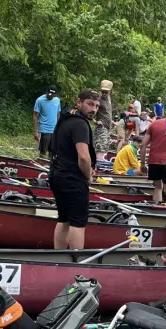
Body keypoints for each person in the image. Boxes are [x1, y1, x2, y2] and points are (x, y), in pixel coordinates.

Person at [49, 88, 99, 250]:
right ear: (79, 102)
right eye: (90, 104)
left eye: (96, 106)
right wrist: (88, 175)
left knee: (64, 219)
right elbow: (83, 156)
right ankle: (76, 261)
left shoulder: (65, 119)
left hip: (57, 175)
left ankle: (59, 256)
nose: (93, 109)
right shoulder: (80, 124)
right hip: (72, 178)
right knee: (78, 222)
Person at [139, 113, 166, 203]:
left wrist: (142, 164)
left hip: (154, 160)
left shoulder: (154, 124)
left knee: (158, 187)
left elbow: (143, 145)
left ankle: (156, 206)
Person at [33, 86, 61, 156]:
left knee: (53, 152)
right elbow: (35, 116)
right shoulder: (40, 100)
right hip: (44, 130)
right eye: (49, 94)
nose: (50, 96)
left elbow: (58, 114)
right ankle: (41, 162)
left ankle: (50, 163)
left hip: (54, 130)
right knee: (43, 152)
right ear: (46, 92)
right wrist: (36, 132)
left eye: (52, 95)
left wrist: (58, 128)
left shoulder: (57, 100)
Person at [94, 79, 113, 160]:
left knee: (105, 146)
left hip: (108, 126)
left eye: (106, 92)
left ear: (110, 92)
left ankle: (99, 161)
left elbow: (107, 112)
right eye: (103, 92)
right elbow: (91, 111)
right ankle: (99, 162)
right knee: (100, 147)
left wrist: (112, 121)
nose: (104, 94)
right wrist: (95, 121)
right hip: (101, 127)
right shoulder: (99, 99)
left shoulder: (108, 99)